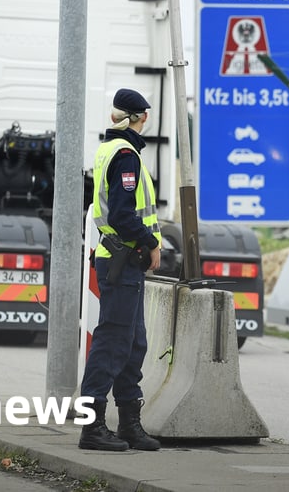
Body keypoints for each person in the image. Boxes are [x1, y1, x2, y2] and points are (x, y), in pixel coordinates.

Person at [79, 88, 163, 452]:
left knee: (133, 343)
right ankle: (92, 427)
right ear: (139, 118)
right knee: (113, 341)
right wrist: (152, 241)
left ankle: (129, 423)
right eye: (146, 116)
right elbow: (123, 216)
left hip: (123, 260)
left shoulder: (110, 150)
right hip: (122, 257)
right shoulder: (126, 155)